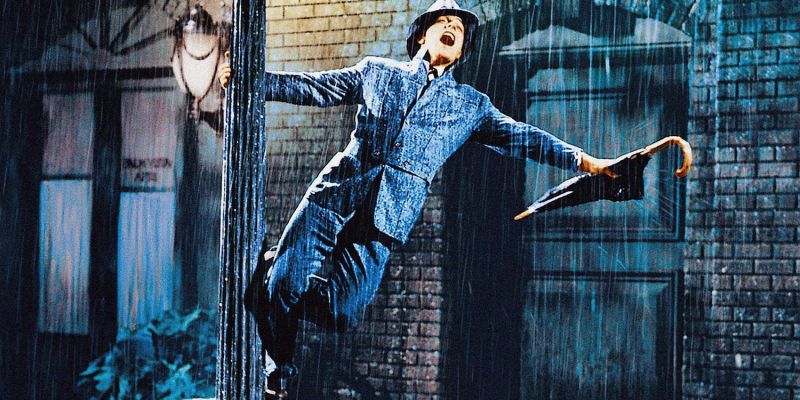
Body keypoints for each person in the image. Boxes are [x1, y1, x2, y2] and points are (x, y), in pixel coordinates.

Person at [219, 0, 620, 397]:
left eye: (458, 28)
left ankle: (274, 266)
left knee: (341, 313)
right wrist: (252, 80)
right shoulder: (378, 73)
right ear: (421, 37)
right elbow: (317, 87)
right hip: (334, 197)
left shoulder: (470, 106)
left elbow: (523, 137)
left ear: (462, 50)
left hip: (385, 221)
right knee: (282, 287)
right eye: (442, 22)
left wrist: (585, 162)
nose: (451, 29)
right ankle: (279, 370)